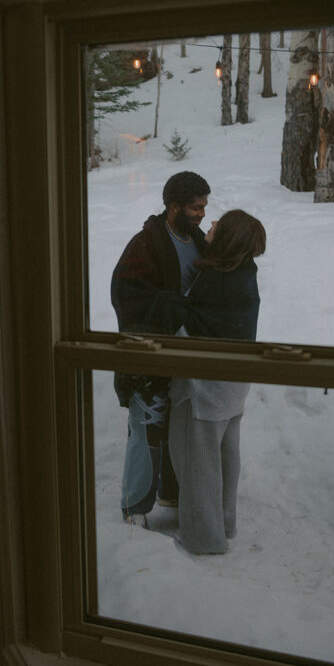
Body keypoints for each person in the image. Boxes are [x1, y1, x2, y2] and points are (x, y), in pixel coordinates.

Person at [110, 171, 212, 527]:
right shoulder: (145, 244)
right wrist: (175, 309)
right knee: (146, 427)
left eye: (204, 207)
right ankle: (134, 509)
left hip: (184, 356)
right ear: (173, 207)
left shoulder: (198, 241)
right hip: (149, 358)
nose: (201, 214)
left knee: (179, 427)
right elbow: (125, 296)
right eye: (195, 207)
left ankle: (170, 492)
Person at [168, 209, 266, 554]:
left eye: (217, 225)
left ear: (226, 238)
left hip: (205, 388)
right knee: (225, 457)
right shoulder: (242, 272)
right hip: (233, 386)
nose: (209, 225)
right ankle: (224, 522)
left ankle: (203, 539)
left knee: (198, 463)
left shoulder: (219, 279)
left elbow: (196, 327)